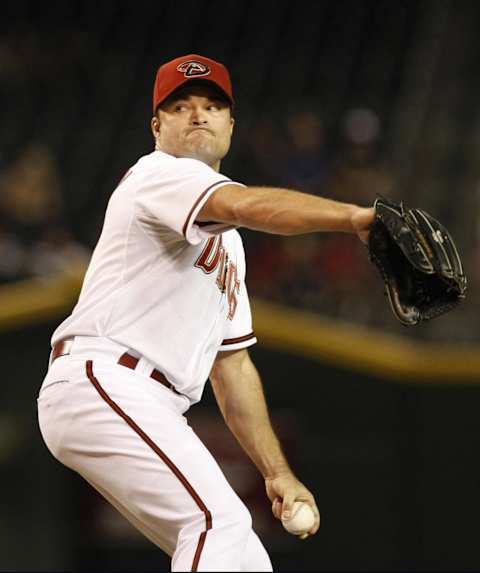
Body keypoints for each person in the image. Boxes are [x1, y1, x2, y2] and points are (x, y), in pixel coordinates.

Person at [37, 54, 374, 572]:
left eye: (213, 105)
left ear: (230, 127)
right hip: (105, 381)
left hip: (142, 402)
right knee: (218, 525)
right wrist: (351, 217)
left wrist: (276, 472)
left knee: (243, 557)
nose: (199, 115)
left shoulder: (230, 251)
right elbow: (244, 205)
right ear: (157, 126)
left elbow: (232, 366)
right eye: (181, 106)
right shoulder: (157, 174)